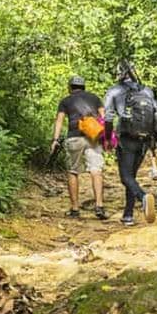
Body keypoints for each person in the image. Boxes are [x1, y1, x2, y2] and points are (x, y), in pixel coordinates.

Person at [103, 61, 157, 226]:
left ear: (119, 73)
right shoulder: (147, 91)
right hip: (144, 139)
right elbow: (156, 117)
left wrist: (107, 138)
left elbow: (108, 117)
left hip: (126, 138)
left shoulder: (114, 91)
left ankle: (143, 198)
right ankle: (128, 215)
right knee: (131, 176)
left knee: (125, 176)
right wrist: (152, 139)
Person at [50, 76, 107, 219]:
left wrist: (55, 140)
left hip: (74, 138)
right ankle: (99, 206)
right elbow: (104, 117)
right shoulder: (95, 98)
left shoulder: (65, 101)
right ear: (83, 87)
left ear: (70, 87)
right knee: (96, 170)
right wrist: (107, 137)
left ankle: (75, 209)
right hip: (93, 138)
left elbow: (59, 121)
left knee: (73, 171)